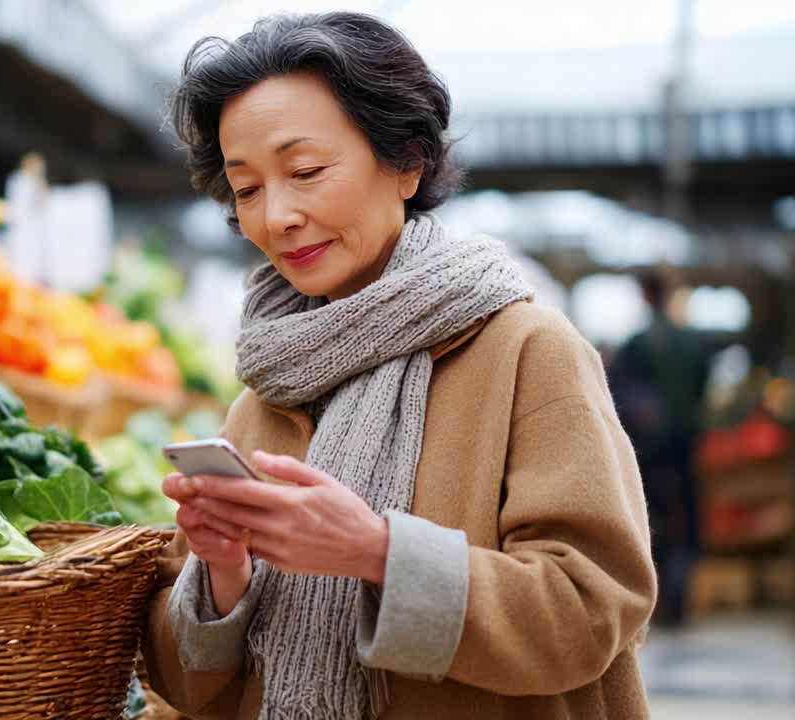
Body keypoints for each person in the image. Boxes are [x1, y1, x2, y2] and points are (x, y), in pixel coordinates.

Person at [143, 12, 657, 719]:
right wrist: (223, 577)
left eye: (305, 171)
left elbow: (592, 612)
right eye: (248, 187)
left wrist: (377, 552)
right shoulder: (264, 392)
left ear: (408, 162)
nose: (277, 216)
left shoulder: (528, 350)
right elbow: (184, 685)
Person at [610, 271, 710, 627]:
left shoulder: (637, 345)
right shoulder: (693, 342)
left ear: (644, 295)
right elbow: (702, 392)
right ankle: (681, 601)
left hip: (649, 451)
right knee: (687, 518)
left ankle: (657, 600)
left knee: (652, 519)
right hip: (687, 444)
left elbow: (621, 399)